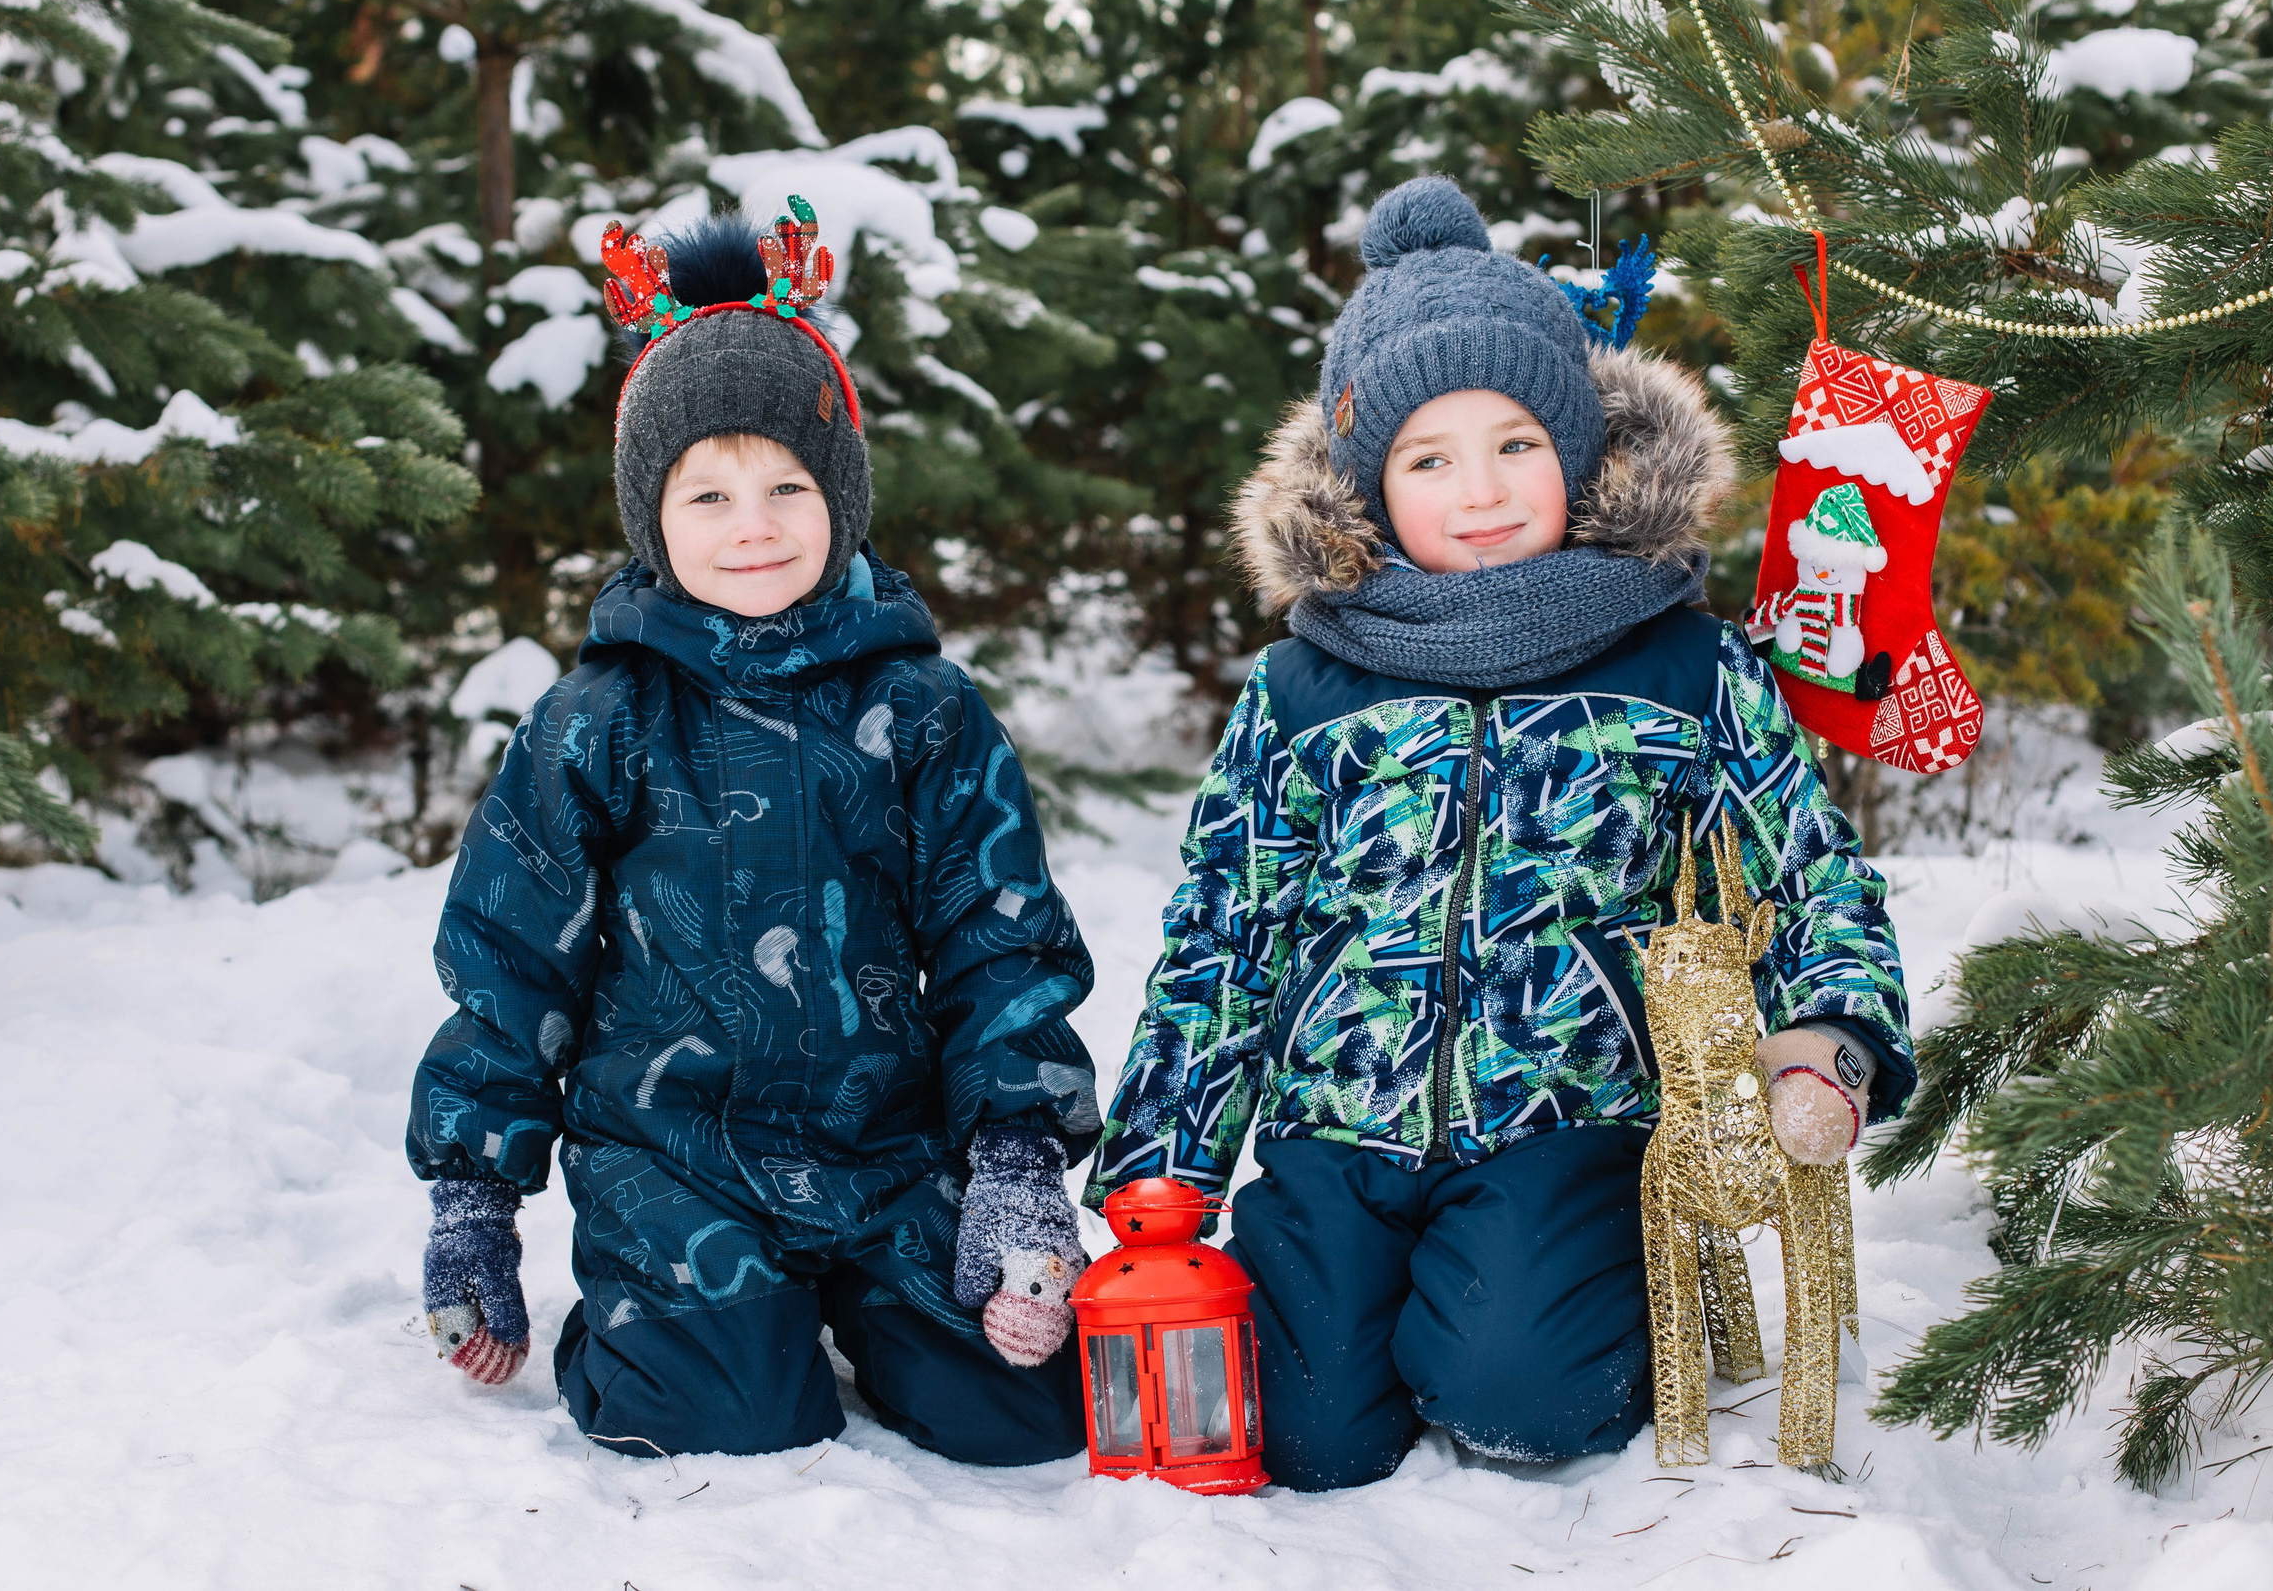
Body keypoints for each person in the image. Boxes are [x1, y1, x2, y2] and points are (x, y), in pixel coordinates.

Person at [1081, 176, 1913, 1490]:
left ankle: (1551, 1301)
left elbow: (1809, 858)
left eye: (1516, 441)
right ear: (1369, 482)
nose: (1479, 489)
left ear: (1577, 448)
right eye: (1428, 457)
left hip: (1555, 1114)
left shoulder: (1676, 660)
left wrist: (1835, 1035)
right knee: (1304, 1435)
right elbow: (1223, 931)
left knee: (1525, 1398)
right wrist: (1162, 1168)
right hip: (1336, 1118)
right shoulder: (1306, 685)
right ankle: (1371, 1299)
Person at [406, 200, 1099, 1467]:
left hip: (886, 1148)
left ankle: (874, 1305)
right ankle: (659, 1317)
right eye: (707, 492)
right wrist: (473, 1200)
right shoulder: (597, 721)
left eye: (787, 485)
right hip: (679, 1157)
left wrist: (1013, 1161)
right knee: (728, 1413)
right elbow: (511, 966)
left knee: (1028, 1410)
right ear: (650, 519)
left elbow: (1000, 940)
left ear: (839, 497)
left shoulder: (923, 710)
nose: (753, 524)